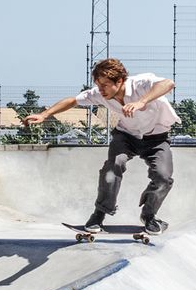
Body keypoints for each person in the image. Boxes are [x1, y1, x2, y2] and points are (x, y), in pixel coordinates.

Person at [25, 59, 179, 235]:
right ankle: (99, 213)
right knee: (113, 167)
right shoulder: (100, 94)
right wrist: (45, 115)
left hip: (157, 139)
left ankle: (149, 215)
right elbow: (73, 100)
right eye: (98, 85)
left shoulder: (140, 84)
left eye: (105, 85)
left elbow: (168, 83)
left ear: (119, 81)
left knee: (163, 177)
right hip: (126, 137)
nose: (101, 90)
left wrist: (141, 102)